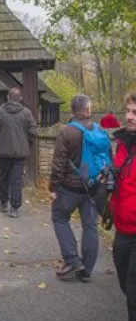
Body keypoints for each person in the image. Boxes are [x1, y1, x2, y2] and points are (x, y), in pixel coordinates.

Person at [49, 94, 108, 282]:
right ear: (88, 110)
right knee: (90, 226)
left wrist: (53, 187)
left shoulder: (67, 132)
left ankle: (73, 260)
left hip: (70, 188)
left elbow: (58, 163)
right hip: (93, 188)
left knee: (59, 217)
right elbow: (108, 160)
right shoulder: (100, 131)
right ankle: (87, 271)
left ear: (73, 111)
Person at [111, 93, 136, 321]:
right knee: (127, 289)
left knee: (134, 295)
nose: (129, 116)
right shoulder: (123, 144)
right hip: (123, 230)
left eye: (135, 112)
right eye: (128, 110)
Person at [0, 87, 37, 218]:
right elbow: (33, 131)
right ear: (20, 98)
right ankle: (15, 207)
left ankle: (3, 201)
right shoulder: (27, 113)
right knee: (16, 179)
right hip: (20, 152)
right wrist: (27, 144)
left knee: (4, 176)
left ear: (8, 97)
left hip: (3, 151)